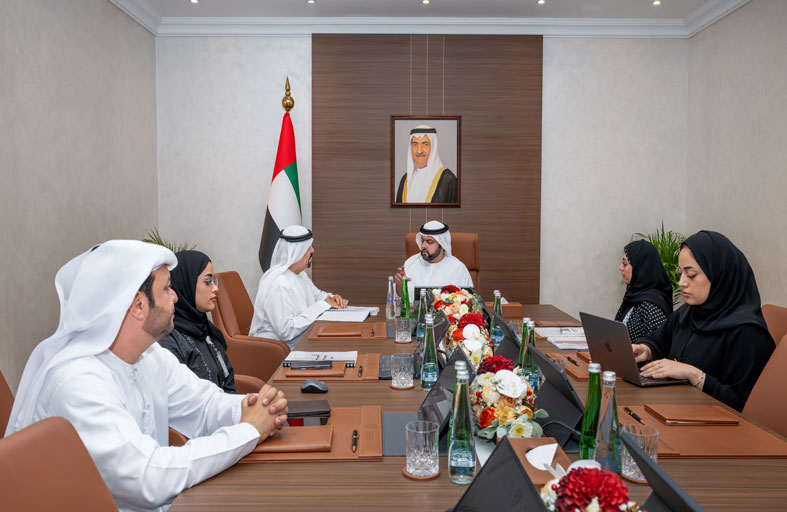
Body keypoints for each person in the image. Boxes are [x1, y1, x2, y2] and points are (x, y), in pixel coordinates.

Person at [5, 240, 288, 512]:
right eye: (167, 288)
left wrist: (255, 408)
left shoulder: (150, 356)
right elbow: (148, 477)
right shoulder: (78, 383)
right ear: (138, 306)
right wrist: (248, 430)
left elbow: (204, 405)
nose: (176, 296)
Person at [633, 231, 774, 411]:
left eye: (691, 274)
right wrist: (645, 349)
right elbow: (658, 342)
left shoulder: (748, 333)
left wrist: (695, 375)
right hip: (675, 408)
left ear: (719, 275)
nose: (681, 282)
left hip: (713, 422)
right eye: (681, 273)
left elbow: (743, 406)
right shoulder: (689, 312)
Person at [249, 225, 347, 348]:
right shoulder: (278, 283)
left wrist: (332, 298)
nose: (312, 250)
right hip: (277, 350)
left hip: (300, 342)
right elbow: (286, 331)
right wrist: (323, 305)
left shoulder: (301, 275)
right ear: (297, 252)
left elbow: (317, 296)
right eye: (308, 247)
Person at [158, 250, 236, 393]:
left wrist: (242, 403)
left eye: (214, 281)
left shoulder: (206, 328)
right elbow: (185, 398)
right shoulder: (168, 339)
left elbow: (228, 383)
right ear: (186, 284)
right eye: (208, 282)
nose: (216, 288)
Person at [395, 220, 473, 299]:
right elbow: (401, 299)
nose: (423, 245)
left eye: (429, 242)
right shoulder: (411, 263)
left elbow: (470, 300)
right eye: (422, 241)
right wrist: (399, 286)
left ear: (442, 245)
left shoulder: (458, 268)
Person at [615, 239, 673, 341]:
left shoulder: (652, 308)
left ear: (640, 267)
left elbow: (656, 347)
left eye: (625, 264)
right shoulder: (634, 294)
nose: (620, 267)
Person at [395, 125, 458, 204]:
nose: (419, 151)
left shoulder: (448, 179)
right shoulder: (405, 180)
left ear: (433, 147)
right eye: (415, 144)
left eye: (425, 144)